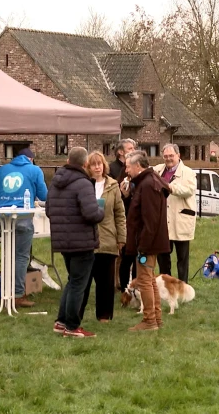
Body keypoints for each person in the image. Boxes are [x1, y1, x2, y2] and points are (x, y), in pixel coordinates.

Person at [46, 147, 105, 337]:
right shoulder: (83, 183)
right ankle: (72, 326)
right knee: (79, 284)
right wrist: (101, 211)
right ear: (85, 163)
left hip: (63, 241)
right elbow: (90, 213)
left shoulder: (55, 182)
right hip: (82, 241)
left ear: (68, 160)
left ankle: (61, 321)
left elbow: (48, 210)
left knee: (72, 281)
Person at [0, 147, 48, 308]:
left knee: (7, 255)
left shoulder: (3, 170)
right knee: (22, 257)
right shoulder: (35, 170)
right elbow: (44, 195)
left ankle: (4, 292)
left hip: (3, 220)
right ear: (30, 159)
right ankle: (17, 294)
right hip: (24, 219)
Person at [122, 150, 171, 332]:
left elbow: (150, 220)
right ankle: (156, 318)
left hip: (148, 243)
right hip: (150, 242)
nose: (126, 171)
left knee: (144, 280)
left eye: (128, 167)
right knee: (149, 280)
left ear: (138, 166)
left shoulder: (148, 185)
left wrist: (143, 246)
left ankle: (149, 320)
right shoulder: (149, 182)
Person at [80, 151, 126, 323]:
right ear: (88, 167)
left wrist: (121, 239)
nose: (97, 167)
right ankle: (76, 315)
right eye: (93, 164)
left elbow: (120, 214)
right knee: (83, 281)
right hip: (86, 239)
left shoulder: (113, 185)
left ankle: (104, 316)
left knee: (106, 282)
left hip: (108, 239)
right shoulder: (83, 185)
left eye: (100, 163)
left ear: (104, 165)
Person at [153, 144, 197, 282]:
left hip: (181, 220)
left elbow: (188, 190)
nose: (168, 159)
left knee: (182, 259)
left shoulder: (189, 172)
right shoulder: (157, 170)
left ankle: (183, 287)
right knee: (163, 258)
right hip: (162, 222)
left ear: (178, 156)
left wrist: (169, 187)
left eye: (171, 156)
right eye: (165, 156)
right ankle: (166, 285)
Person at [110, 138, 137, 292]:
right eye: (130, 148)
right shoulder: (112, 169)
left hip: (131, 213)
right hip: (120, 214)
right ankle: (115, 281)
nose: (133, 150)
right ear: (120, 152)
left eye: (134, 148)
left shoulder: (135, 168)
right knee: (120, 252)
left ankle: (130, 281)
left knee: (131, 253)